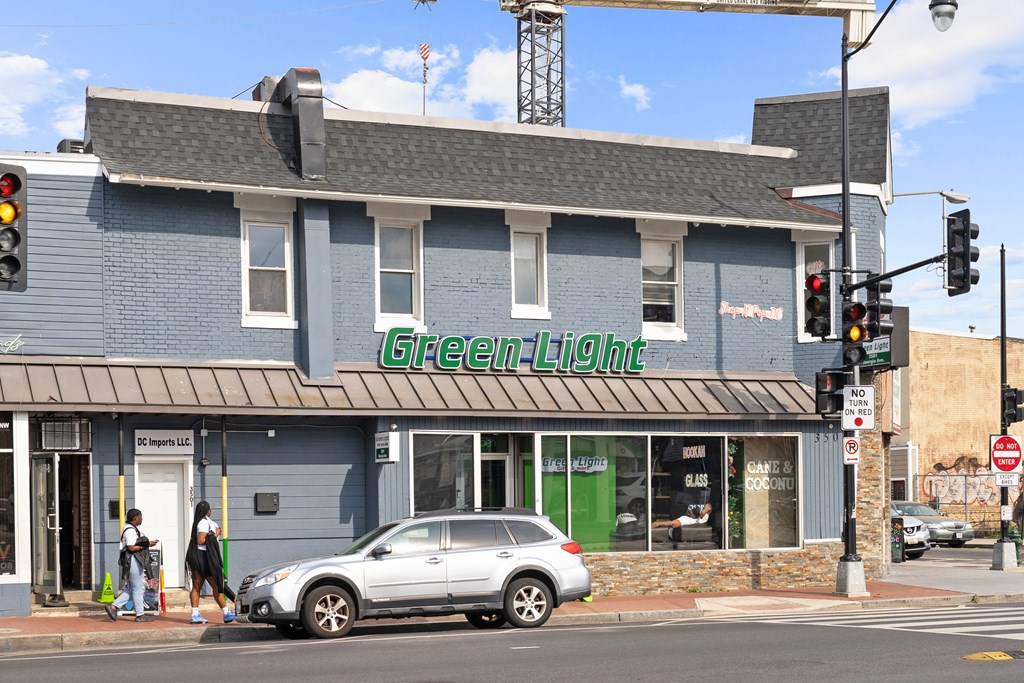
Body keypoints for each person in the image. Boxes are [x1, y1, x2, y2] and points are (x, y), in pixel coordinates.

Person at [184, 501, 236, 624]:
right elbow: (201, 540)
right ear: (207, 510)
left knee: (197, 586)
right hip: (204, 558)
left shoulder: (201, 521)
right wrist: (215, 534)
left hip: (198, 556)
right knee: (216, 585)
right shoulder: (203, 522)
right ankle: (226, 612)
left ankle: (195, 614)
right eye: (210, 508)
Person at [104, 508, 158, 623]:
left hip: (133, 561)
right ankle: (140, 615)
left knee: (131, 589)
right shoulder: (129, 530)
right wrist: (147, 545)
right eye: (140, 516)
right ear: (135, 518)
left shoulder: (133, 529)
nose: (141, 519)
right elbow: (131, 547)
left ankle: (113, 607)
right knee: (138, 589)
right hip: (132, 561)